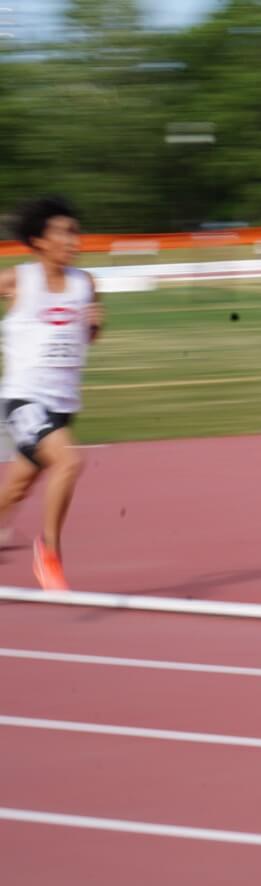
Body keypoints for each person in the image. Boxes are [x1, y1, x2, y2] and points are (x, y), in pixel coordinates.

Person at [0, 196, 102, 591]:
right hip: (23, 398)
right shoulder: (17, 280)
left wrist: (95, 326)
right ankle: (49, 551)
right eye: (64, 232)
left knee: (17, 488)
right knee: (69, 463)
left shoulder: (86, 283)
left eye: (76, 231)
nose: (73, 240)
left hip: (62, 404)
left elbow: (88, 335)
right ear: (39, 241)